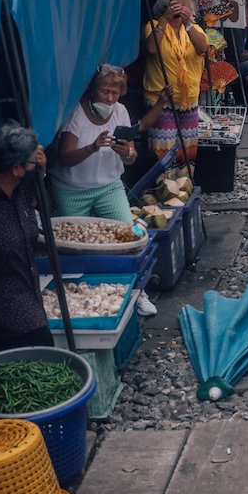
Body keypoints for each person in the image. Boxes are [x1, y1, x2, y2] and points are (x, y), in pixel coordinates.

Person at [50, 65, 159, 317]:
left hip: (109, 186)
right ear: (93, 89)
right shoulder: (75, 113)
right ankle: (82, 302)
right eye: (105, 91)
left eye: (115, 93)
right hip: (71, 190)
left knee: (129, 237)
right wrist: (92, 147)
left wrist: (128, 153)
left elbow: (131, 156)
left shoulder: (120, 111)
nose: (110, 98)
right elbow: (65, 158)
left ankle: (137, 291)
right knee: (75, 247)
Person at [0, 122, 55, 354]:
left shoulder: (21, 189)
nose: (35, 165)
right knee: (42, 352)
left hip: (28, 292)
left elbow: (36, 206)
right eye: (32, 161)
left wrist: (41, 171)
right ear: (16, 168)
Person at [143, 0, 209, 165]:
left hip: (188, 99)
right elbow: (151, 48)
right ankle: (164, 188)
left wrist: (187, 23)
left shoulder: (193, 29)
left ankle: (184, 184)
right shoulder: (154, 26)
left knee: (187, 150)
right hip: (161, 99)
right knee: (163, 150)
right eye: (173, 1)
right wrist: (165, 19)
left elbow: (203, 48)